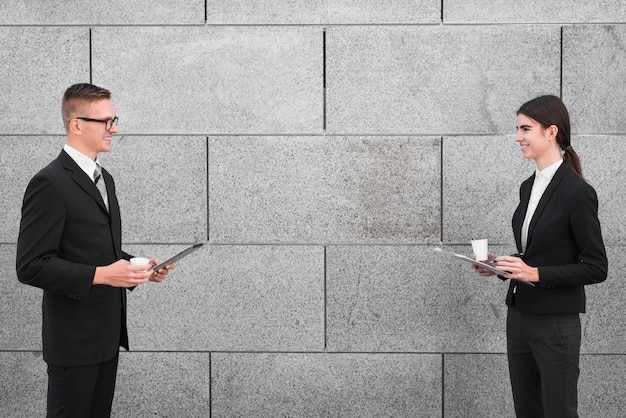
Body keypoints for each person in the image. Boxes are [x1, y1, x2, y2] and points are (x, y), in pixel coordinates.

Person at [16, 83, 175, 417]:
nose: (114, 128)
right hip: (74, 344)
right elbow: (30, 265)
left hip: (105, 338)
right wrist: (103, 275)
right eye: (105, 121)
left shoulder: (106, 179)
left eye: (113, 119)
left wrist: (138, 266)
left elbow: (96, 248)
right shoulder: (49, 183)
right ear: (77, 125)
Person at [472, 95, 608, 417]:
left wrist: (535, 274)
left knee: (558, 411)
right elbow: (537, 253)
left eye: (525, 128)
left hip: (555, 323)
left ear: (551, 132)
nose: (518, 137)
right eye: (518, 129)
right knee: (527, 410)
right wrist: (501, 266)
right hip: (519, 316)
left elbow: (596, 267)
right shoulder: (527, 186)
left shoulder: (577, 192)